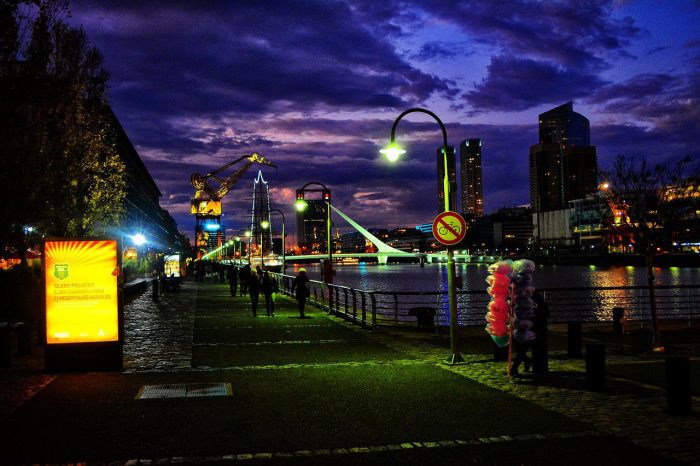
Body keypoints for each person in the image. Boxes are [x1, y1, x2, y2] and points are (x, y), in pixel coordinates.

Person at [531, 290, 550, 374]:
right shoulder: (539, 301)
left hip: (538, 328)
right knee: (540, 348)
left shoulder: (536, 304)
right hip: (540, 328)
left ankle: (539, 367)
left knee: (537, 347)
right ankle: (541, 367)